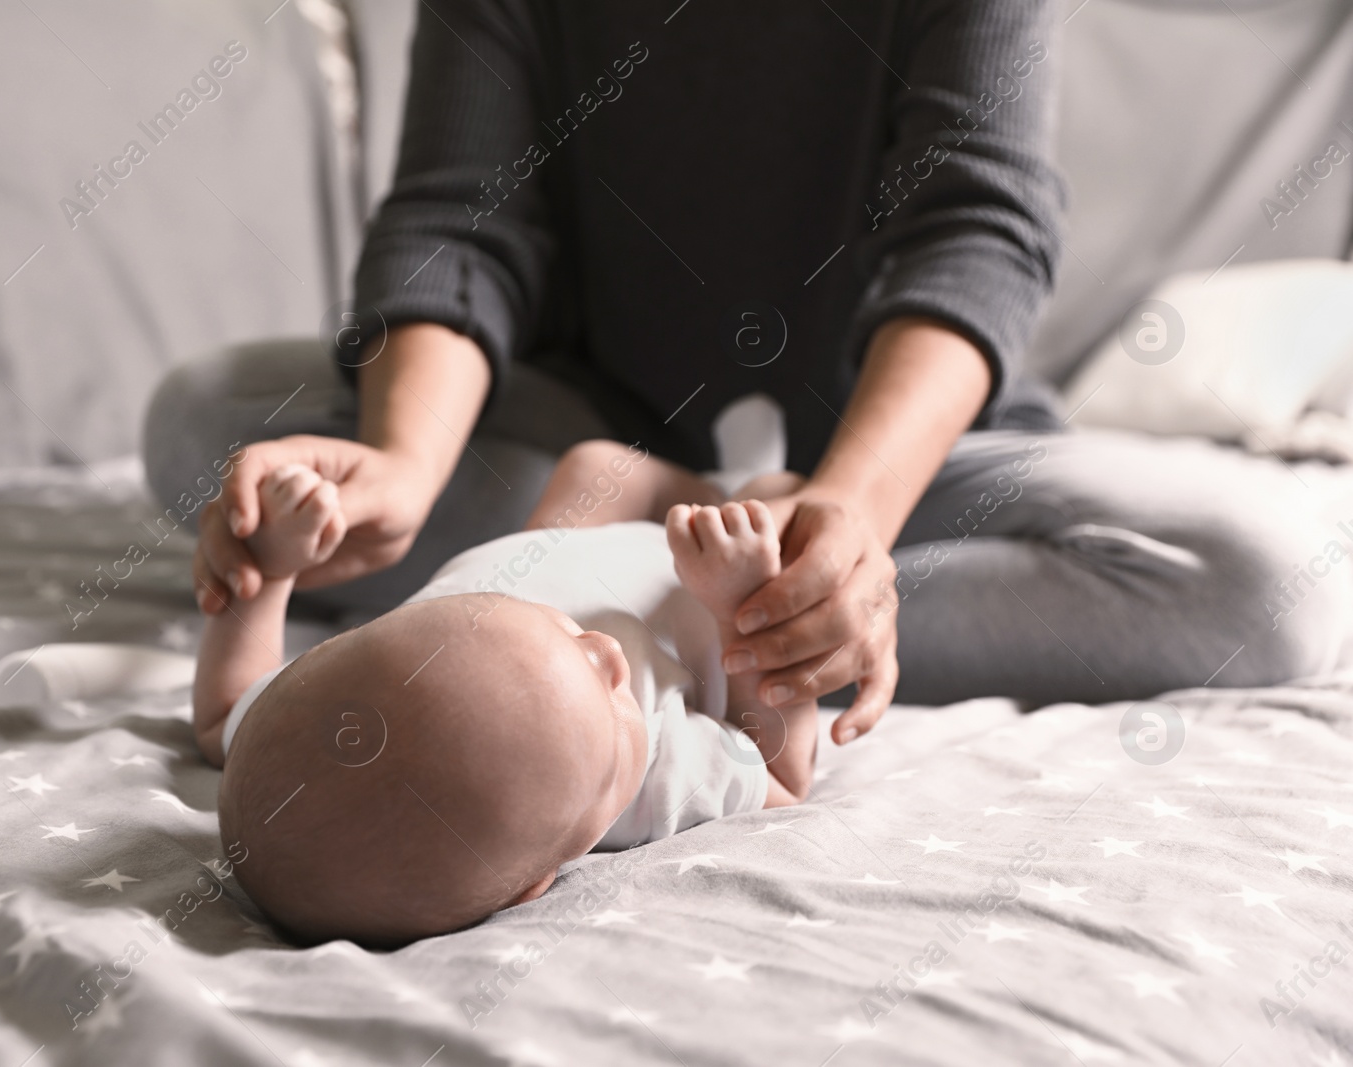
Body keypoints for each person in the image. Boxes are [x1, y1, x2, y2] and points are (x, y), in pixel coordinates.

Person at [149, 2, 1341, 751]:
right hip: (586, 415)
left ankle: (706, 573)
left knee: (1268, 582)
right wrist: (402, 466)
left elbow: (974, 229)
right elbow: (462, 219)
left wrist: (854, 520)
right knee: (210, 422)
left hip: (884, 456)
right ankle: (676, 546)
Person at [197, 445, 819, 945]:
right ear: (535, 884)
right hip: (711, 587)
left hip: (562, 543)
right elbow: (783, 776)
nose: (608, 653)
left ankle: (710, 487)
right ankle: (738, 488)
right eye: (610, 706)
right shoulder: (650, 787)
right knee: (780, 501)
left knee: (597, 467)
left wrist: (269, 570)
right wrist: (743, 605)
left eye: (559, 630)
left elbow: (221, 714)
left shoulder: (324, 722)